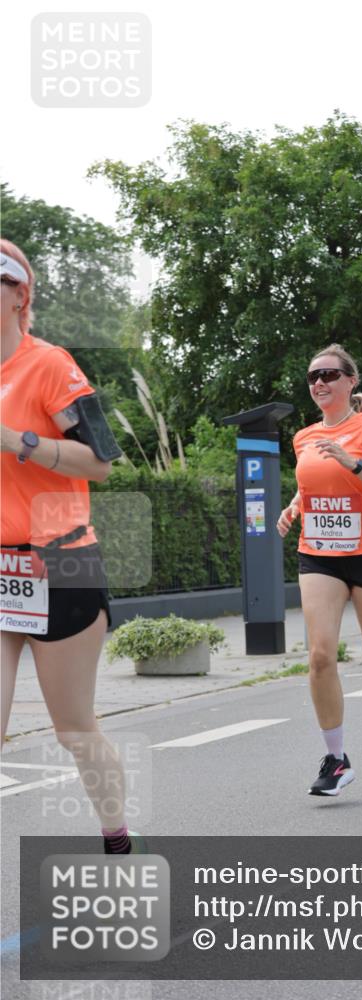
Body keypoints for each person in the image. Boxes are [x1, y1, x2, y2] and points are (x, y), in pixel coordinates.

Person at [0, 240, 144, 853]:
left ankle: (117, 840)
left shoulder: (50, 364)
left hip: (61, 561)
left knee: (74, 729)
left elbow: (103, 462)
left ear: (19, 295)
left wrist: (16, 441)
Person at [277, 343, 362, 796]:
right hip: (319, 554)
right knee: (319, 655)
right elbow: (312, 486)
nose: (319, 382)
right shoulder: (302, 437)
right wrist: (294, 506)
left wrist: (352, 462)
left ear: (351, 381)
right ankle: (336, 760)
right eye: (313, 375)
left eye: (330, 374)